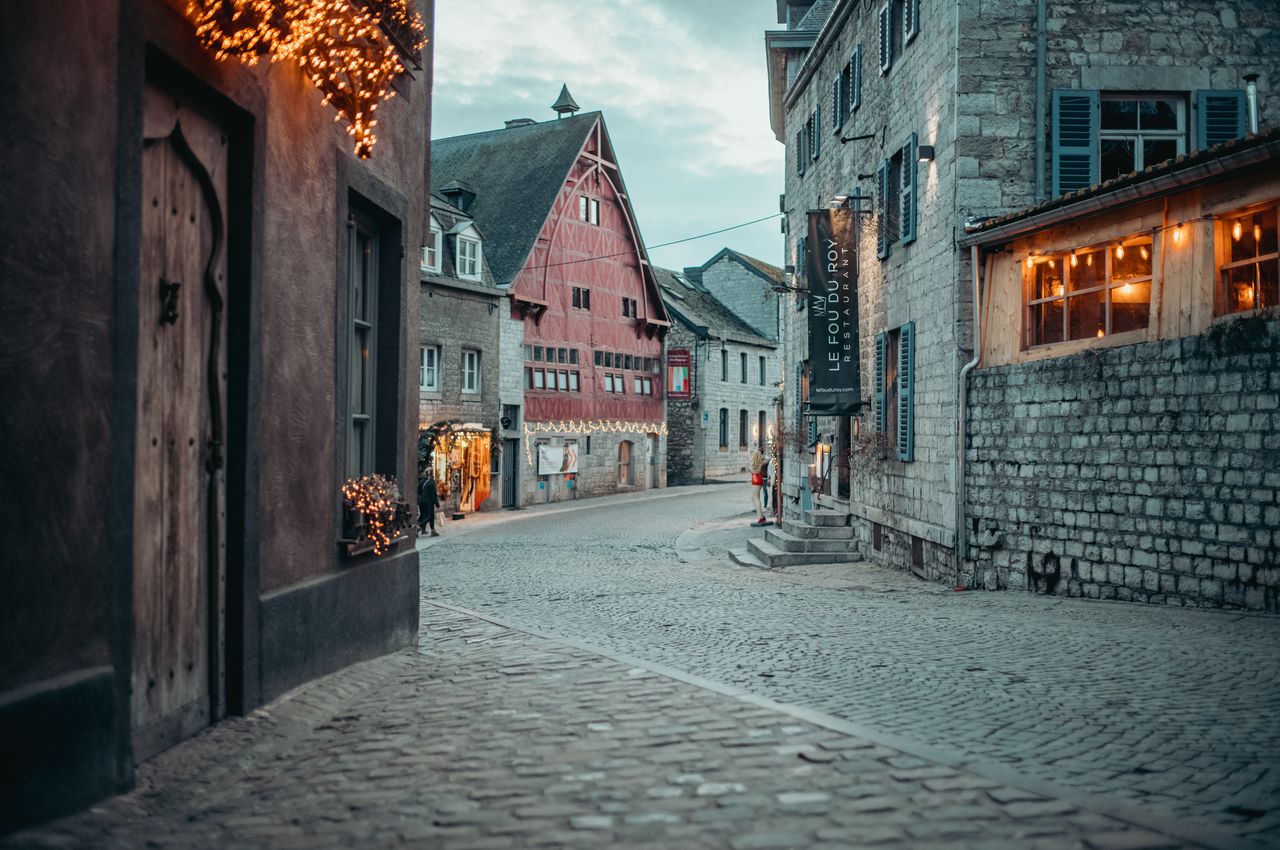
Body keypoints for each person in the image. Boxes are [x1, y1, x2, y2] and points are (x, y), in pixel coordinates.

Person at [417, 470, 439, 537]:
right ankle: (418, 527)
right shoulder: (432, 482)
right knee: (428, 516)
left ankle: (433, 530)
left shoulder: (421, 482)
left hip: (422, 501)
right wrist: (437, 504)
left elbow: (418, 491)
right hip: (429, 502)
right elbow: (433, 494)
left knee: (424, 515)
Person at [748, 448, 766, 525]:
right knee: (754, 497)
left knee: (755, 498)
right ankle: (761, 515)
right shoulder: (760, 463)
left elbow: (749, 452)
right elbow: (767, 458)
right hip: (759, 478)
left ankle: (760, 517)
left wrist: (754, 452)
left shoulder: (752, 463)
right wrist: (760, 455)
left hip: (755, 480)